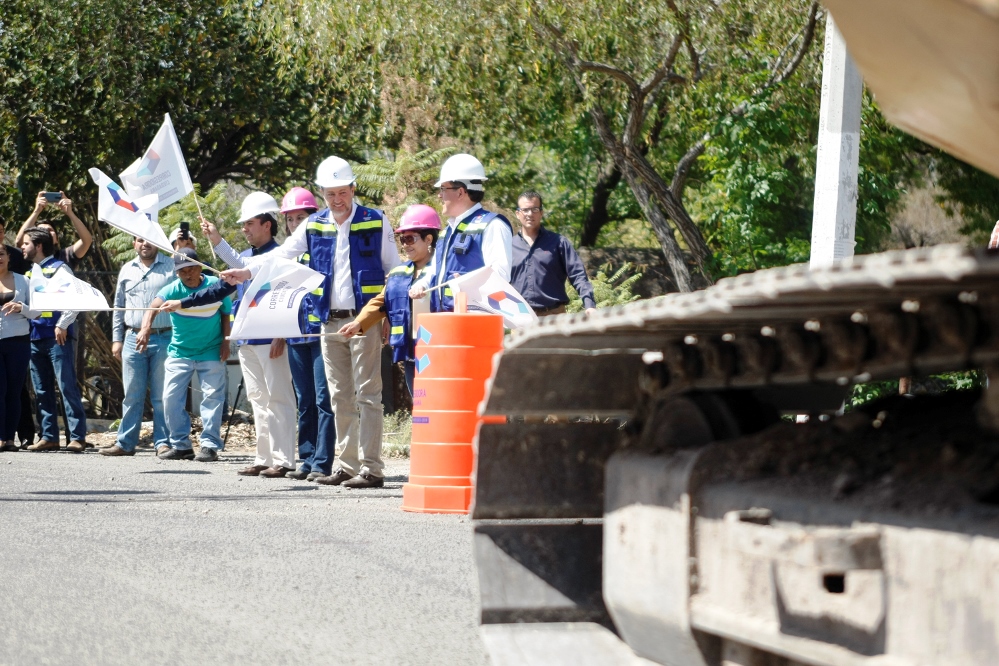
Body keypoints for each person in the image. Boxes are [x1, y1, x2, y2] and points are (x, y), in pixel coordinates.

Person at [221, 156, 400, 488]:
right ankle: (346, 466)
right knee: (339, 397)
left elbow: (394, 271)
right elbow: (281, 255)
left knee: (368, 396)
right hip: (329, 323)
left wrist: (386, 316)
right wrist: (247, 272)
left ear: (353, 188)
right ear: (322, 193)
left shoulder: (377, 221)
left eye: (342, 192)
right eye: (330, 194)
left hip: (364, 320)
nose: (337, 200)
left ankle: (372, 469)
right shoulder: (314, 224)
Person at [192, 192, 296, 477]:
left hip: (272, 341)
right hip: (248, 340)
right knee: (259, 400)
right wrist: (183, 302)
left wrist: (282, 335)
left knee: (279, 398)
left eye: (250, 222)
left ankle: (284, 460)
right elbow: (221, 288)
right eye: (243, 224)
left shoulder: (281, 256)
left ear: (268, 224)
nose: (245, 229)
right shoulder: (245, 259)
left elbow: (284, 296)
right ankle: (264, 458)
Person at [140, 248, 231, 462]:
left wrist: (226, 342)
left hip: (210, 350)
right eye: (182, 272)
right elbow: (151, 308)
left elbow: (226, 313)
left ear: (201, 268)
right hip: (180, 351)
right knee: (170, 399)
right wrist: (145, 329)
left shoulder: (214, 286)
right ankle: (181, 445)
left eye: (191, 269)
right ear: (176, 274)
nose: (188, 275)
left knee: (212, 398)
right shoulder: (172, 290)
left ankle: (209, 445)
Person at [339, 204, 440, 394]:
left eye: (410, 238)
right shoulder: (399, 273)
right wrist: (358, 324)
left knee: (440, 407)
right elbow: (380, 302)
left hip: (441, 352)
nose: (405, 244)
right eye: (402, 239)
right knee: (420, 408)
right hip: (411, 354)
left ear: (429, 239)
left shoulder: (444, 271)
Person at [409, 154, 512, 312]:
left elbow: (500, 276)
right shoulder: (447, 231)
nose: (439, 195)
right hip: (448, 320)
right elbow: (436, 269)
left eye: (443, 189)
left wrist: (468, 284)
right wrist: (422, 283)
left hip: (476, 322)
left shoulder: (492, 225)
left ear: (460, 192)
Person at [101, 238, 175, 457]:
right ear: (134, 244)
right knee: (132, 394)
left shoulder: (171, 267)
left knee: (162, 395)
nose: (145, 244)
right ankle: (125, 443)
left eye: (149, 240)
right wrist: (117, 339)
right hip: (132, 338)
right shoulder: (126, 269)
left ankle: (163, 442)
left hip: (164, 337)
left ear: (158, 242)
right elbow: (118, 306)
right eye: (140, 240)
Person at [21, 229, 88, 452]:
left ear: (39, 246)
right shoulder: (32, 272)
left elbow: (75, 298)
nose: (22, 246)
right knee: (41, 390)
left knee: (66, 386)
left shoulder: (60, 268)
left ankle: (77, 437)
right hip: (34, 337)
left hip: (57, 337)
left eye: (27, 243)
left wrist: (63, 324)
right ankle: (49, 435)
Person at [511, 191, 597, 317]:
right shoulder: (508, 245)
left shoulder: (558, 242)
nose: (530, 214)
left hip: (553, 315)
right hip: (520, 317)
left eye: (534, 209)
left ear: (541, 212)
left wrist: (589, 304)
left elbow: (577, 274)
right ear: (518, 214)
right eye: (525, 210)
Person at [0, 246, 37, 452]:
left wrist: (21, 307)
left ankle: (10, 439)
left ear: (8, 257)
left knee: (13, 392)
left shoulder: (24, 281)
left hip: (18, 342)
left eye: (1, 254)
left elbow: (38, 312)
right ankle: (0, 436)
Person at [16, 192, 94, 270]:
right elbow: (19, 241)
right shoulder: (29, 256)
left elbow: (87, 241)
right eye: (41, 230)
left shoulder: (66, 255)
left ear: (57, 239)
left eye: (50, 230)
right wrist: (36, 211)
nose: (46, 232)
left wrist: (70, 213)